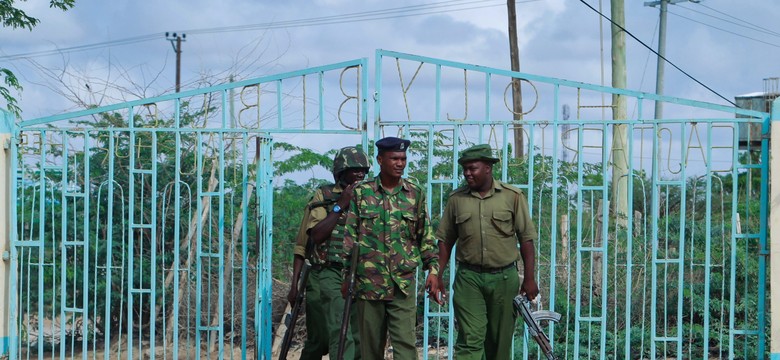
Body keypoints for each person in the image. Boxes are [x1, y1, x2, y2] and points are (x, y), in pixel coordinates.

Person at [434, 144, 539, 360]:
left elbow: (526, 239)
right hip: (469, 279)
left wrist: (529, 278)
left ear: (488, 168)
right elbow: (445, 240)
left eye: (472, 168)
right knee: (470, 340)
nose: (467, 174)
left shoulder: (512, 196)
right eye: (465, 169)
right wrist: (437, 274)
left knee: (498, 344)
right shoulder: (456, 199)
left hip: (504, 278)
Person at [342, 136, 440, 360]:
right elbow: (350, 238)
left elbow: (425, 235)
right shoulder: (361, 193)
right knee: (370, 351)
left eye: (403, 158)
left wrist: (433, 270)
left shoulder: (414, 194)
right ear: (380, 160)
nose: (400, 163)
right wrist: (347, 276)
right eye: (394, 158)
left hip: (402, 284)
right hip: (368, 284)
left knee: (405, 349)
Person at [288, 146, 370, 359]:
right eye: (354, 170)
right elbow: (310, 239)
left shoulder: (370, 198)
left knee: (356, 337)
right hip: (326, 273)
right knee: (326, 338)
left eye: (364, 170)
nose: (360, 174)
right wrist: (340, 205)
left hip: (359, 275)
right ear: (341, 172)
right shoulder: (323, 196)